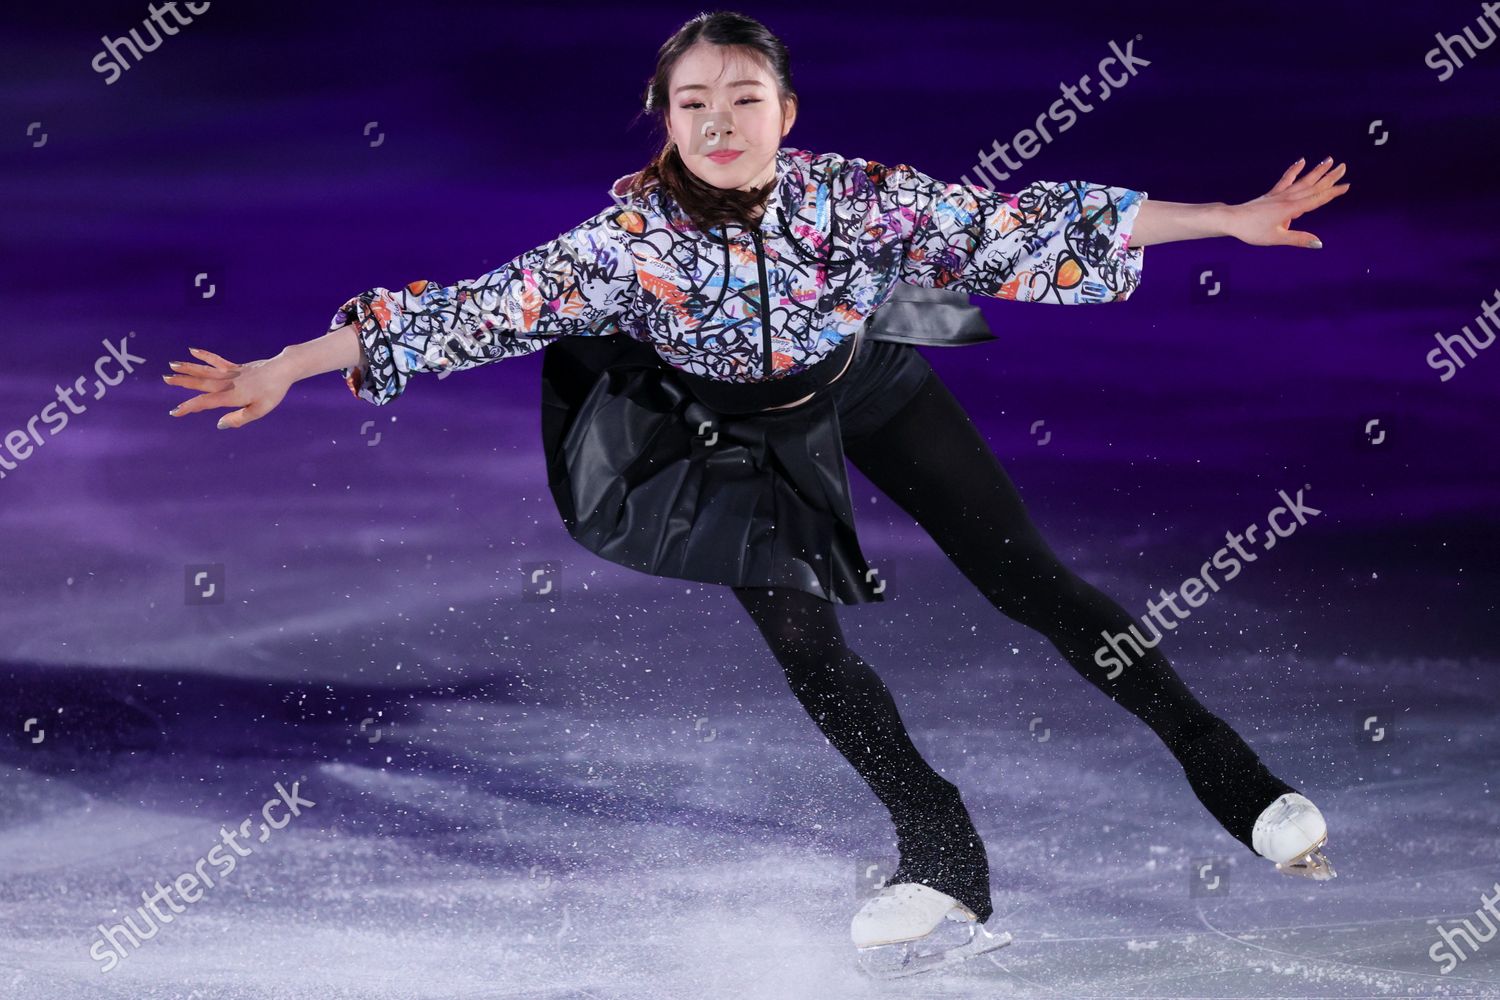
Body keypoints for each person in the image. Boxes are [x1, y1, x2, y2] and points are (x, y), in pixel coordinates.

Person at [163, 9, 1350, 978]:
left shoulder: (856, 197)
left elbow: (1009, 229)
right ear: (664, 120)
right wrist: (286, 364)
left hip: (868, 381)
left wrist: (1230, 220)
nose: (720, 122)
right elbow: (466, 310)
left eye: (743, 100)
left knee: (1028, 580)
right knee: (809, 651)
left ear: (786, 113)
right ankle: (940, 850)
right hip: (724, 433)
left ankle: (1239, 784)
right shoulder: (626, 242)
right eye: (694, 104)